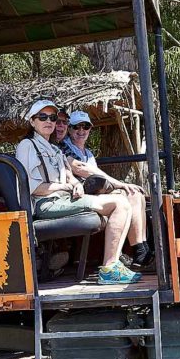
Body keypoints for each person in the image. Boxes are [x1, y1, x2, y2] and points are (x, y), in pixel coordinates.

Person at [15, 100, 140, 285]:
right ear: (32, 121)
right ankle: (109, 268)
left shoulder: (54, 149)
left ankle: (114, 265)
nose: (48, 121)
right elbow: (33, 189)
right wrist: (65, 187)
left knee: (122, 200)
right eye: (42, 117)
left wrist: (75, 184)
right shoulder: (28, 146)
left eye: (52, 117)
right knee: (119, 204)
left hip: (62, 200)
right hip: (45, 204)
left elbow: (68, 175)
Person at [60, 111, 152, 268]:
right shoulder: (63, 147)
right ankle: (134, 254)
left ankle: (141, 249)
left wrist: (120, 184)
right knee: (126, 196)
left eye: (86, 127)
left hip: (95, 191)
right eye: (76, 127)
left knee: (135, 194)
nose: (81, 131)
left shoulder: (88, 153)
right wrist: (119, 184)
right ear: (69, 129)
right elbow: (81, 169)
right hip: (79, 194)